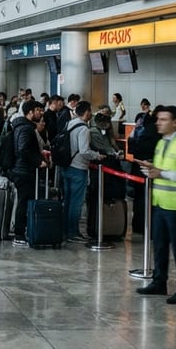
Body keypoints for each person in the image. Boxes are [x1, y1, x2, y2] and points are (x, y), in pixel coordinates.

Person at [134, 106, 176, 304]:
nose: (158, 122)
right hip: (161, 202)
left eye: (163, 119)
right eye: (158, 119)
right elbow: (161, 169)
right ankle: (159, 281)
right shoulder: (162, 143)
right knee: (160, 244)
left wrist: (162, 173)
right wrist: (151, 169)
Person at [6, 100, 48, 247]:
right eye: (38, 110)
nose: (41, 113)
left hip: (20, 169)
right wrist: (37, 161)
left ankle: (21, 232)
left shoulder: (20, 126)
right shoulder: (26, 128)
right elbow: (23, 149)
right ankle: (19, 234)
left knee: (24, 201)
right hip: (23, 170)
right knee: (24, 202)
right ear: (30, 112)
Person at [61, 101, 101, 243]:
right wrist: (96, 155)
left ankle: (65, 230)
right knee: (76, 203)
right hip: (78, 168)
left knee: (67, 200)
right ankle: (73, 232)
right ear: (86, 112)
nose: (91, 114)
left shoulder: (70, 124)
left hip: (66, 166)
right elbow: (84, 151)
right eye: (90, 111)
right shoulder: (84, 129)